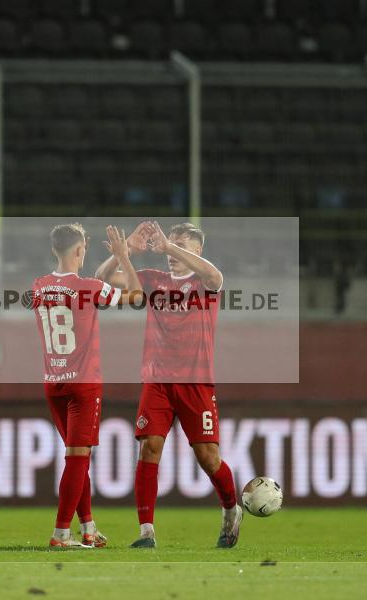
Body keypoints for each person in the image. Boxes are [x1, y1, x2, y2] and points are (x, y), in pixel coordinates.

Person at [95, 221, 242, 549]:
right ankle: (147, 532)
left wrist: (167, 246)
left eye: (180, 245)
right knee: (149, 449)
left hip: (195, 382)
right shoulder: (152, 280)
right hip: (157, 381)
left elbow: (218, 277)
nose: (169, 251)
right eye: (167, 244)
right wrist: (125, 253)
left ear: (197, 250)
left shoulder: (205, 282)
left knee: (208, 457)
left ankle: (231, 510)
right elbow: (101, 282)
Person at [32, 223, 142, 549]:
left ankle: (89, 528)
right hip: (83, 385)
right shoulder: (90, 287)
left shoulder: (38, 286)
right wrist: (124, 257)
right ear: (80, 250)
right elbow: (137, 296)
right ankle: (61, 534)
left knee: (76, 458)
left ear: (55, 249)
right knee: (78, 459)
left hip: (54, 383)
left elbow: (73, 288)